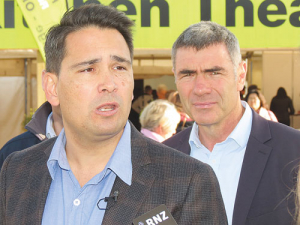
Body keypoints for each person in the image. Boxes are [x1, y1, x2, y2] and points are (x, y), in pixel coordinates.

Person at [0, 5, 227, 225]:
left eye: (119, 68)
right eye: (89, 69)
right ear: (52, 87)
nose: (109, 84)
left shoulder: (189, 182)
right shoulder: (16, 171)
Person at [163, 21, 300, 225]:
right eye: (188, 74)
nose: (200, 88)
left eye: (214, 72)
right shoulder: (162, 159)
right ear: (175, 78)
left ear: (241, 75)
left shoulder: (294, 151)